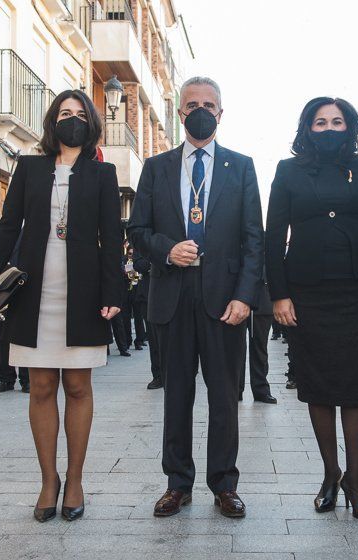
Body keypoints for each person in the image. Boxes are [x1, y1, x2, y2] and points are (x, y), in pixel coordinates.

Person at [0, 89, 123, 523]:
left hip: (82, 290)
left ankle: (75, 479)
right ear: (52, 121)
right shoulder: (29, 168)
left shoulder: (103, 173)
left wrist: (113, 292)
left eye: (80, 114)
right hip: (34, 290)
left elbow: (112, 238)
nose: (72, 119)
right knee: (40, 387)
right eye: (65, 113)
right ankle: (48, 480)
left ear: (91, 122)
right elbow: (8, 226)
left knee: (78, 387)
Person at [128, 76, 263, 519]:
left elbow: (253, 239)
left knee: (225, 396)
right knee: (177, 395)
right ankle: (177, 483)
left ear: (220, 114)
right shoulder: (157, 167)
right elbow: (137, 230)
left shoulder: (241, 167)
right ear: (180, 112)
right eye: (192, 104)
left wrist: (245, 297)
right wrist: (167, 249)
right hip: (172, 295)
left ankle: (224, 484)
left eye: (209, 104)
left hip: (225, 302)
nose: (200, 110)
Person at [266, 96, 358, 521]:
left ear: (350, 126)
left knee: (355, 386)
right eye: (320, 122)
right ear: (307, 128)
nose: (328, 128)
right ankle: (329, 474)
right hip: (307, 293)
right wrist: (279, 294)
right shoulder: (288, 170)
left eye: (336, 121)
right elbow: (273, 236)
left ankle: (355, 481)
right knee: (317, 384)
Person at [237, 278, 277, 404]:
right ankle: (235, 389)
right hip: (235, 298)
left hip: (263, 296)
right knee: (236, 349)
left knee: (260, 348)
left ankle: (261, 389)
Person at [132, 251, 162, 389]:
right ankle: (158, 375)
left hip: (174, 292)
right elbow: (139, 265)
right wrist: (159, 258)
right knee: (154, 338)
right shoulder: (144, 239)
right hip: (148, 295)